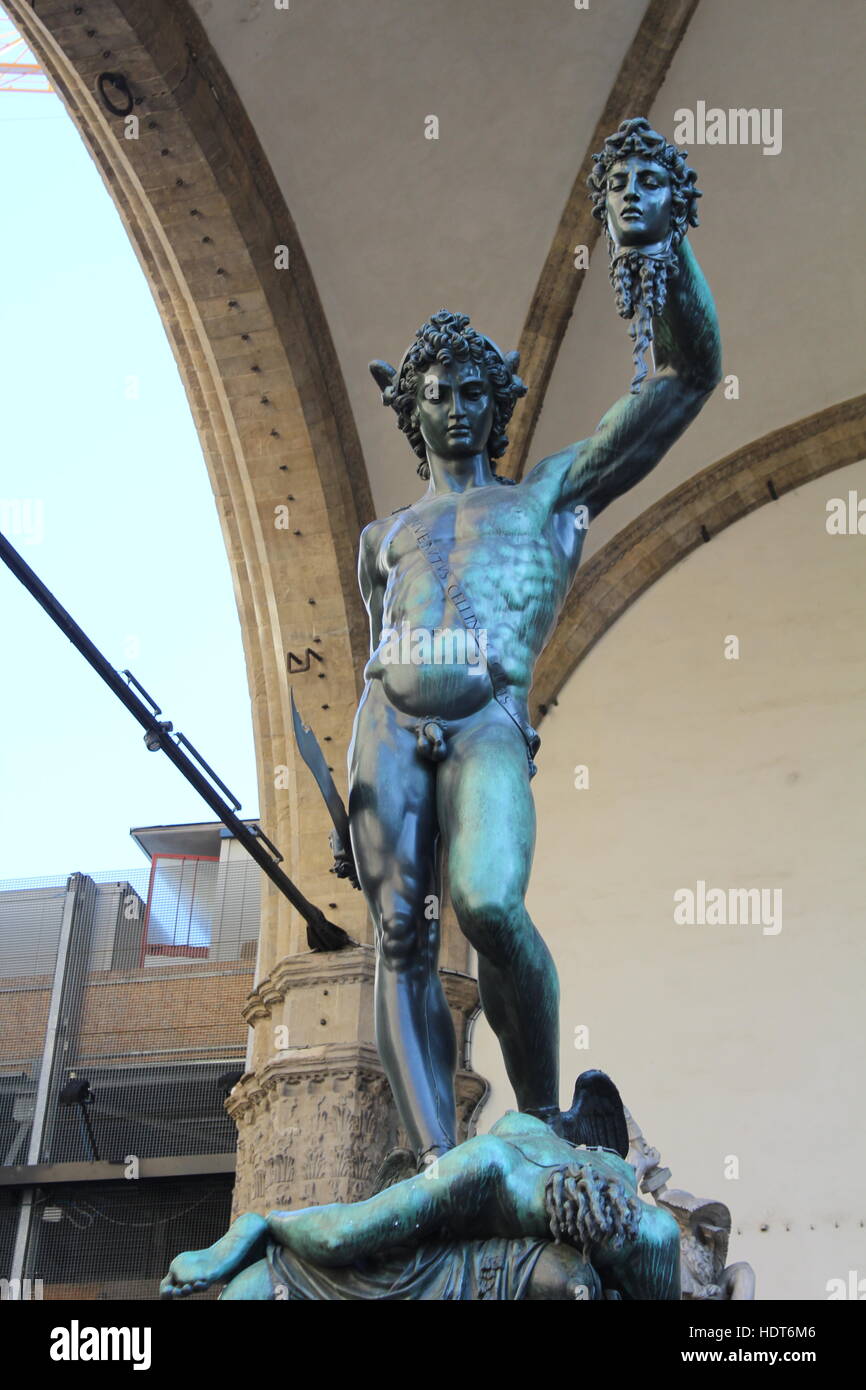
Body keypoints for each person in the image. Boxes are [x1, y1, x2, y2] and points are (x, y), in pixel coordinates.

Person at [346, 118, 721, 1164]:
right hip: (386, 716)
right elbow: (371, 643)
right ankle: (434, 1160)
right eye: (438, 394)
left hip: (486, 718)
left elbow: (683, 381)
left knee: (489, 903)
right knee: (401, 936)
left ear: (498, 405)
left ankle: (542, 1115)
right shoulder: (383, 538)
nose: (459, 408)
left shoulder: (548, 493)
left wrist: (658, 243)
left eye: (475, 393)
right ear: (412, 409)